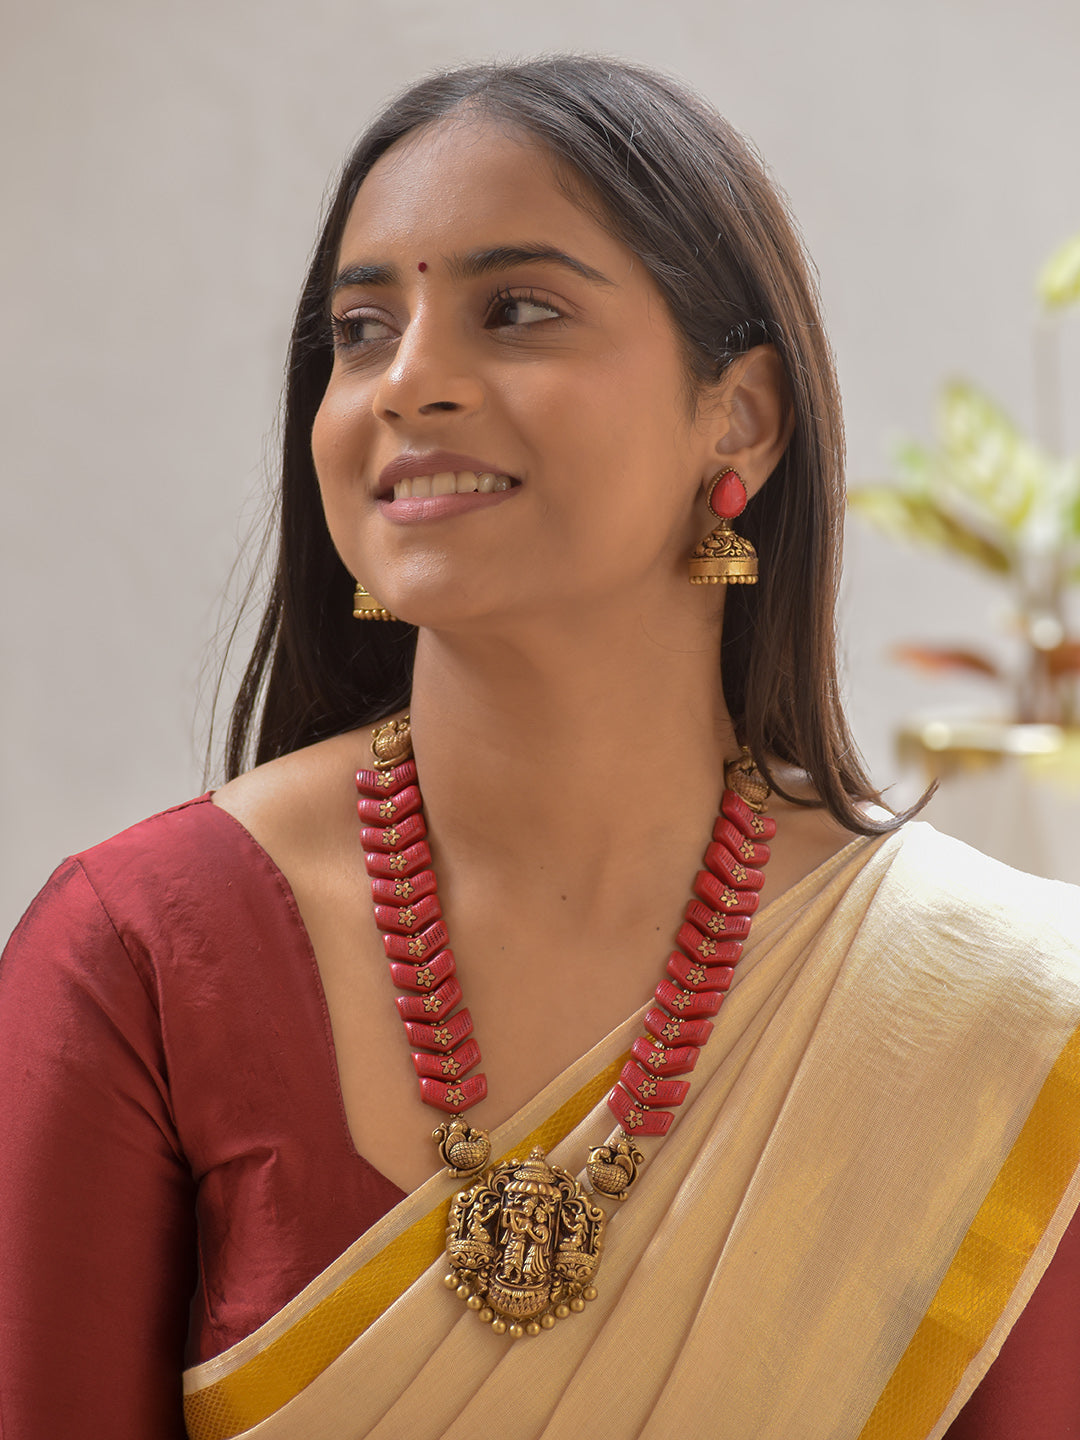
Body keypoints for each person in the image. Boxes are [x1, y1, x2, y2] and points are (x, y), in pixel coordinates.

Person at [2, 56, 1080, 1440]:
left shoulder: (999, 1014)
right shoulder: (141, 959)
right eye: (361, 330)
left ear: (740, 416)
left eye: (517, 310)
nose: (408, 383)